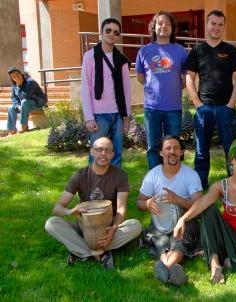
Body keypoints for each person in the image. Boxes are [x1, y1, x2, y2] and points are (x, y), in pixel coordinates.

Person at [174, 137, 236, 284]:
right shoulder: (221, 186)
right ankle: (215, 263)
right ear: (231, 159)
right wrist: (183, 219)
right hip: (227, 235)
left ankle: (225, 259)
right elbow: (202, 203)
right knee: (208, 209)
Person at [45, 137, 142, 269]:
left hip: (107, 227)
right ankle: (99, 254)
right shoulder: (80, 175)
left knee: (135, 225)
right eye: (99, 149)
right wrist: (69, 211)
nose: (103, 154)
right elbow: (57, 208)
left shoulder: (120, 175)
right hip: (84, 226)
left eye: (108, 150)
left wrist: (114, 229)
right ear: (92, 152)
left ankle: (78, 250)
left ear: (113, 154)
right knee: (51, 223)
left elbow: (121, 209)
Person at [184, 10, 236, 189]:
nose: (216, 28)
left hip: (226, 108)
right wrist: (198, 104)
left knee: (231, 150)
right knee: (201, 151)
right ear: (207, 25)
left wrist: (231, 105)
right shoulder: (197, 50)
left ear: (223, 27)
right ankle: (200, 186)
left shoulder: (230, 50)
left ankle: (234, 184)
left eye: (220, 25)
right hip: (204, 108)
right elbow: (189, 79)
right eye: (213, 24)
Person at [137, 135, 203, 286]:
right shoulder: (153, 175)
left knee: (178, 242)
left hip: (185, 220)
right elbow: (139, 203)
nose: (172, 152)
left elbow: (199, 205)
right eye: (168, 148)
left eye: (176, 148)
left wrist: (179, 200)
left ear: (181, 152)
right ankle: (171, 269)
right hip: (159, 222)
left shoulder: (190, 175)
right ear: (161, 153)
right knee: (162, 242)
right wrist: (147, 203)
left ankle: (164, 267)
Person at [136, 11, 188, 170]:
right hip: (152, 108)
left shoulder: (180, 51)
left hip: (173, 107)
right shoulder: (144, 51)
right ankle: (155, 179)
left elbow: (186, 79)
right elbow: (140, 77)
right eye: (160, 23)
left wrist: (170, 88)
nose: (163, 26)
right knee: (153, 147)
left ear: (172, 28)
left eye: (167, 23)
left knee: (174, 147)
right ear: (154, 27)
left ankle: (174, 177)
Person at [81, 18, 132, 168]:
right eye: (108, 30)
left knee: (116, 156)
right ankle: (94, 190)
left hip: (118, 114)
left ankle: (115, 190)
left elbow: (126, 90)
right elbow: (85, 87)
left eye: (116, 32)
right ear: (101, 32)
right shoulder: (90, 56)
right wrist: (89, 117)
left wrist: (126, 117)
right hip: (98, 115)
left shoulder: (122, 60)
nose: (111, 34)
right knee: (97, 155)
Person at [6, 67, 47, 134]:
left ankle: (24, 126)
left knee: (24, 102)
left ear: (21, 74)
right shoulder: (14, 85)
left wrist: (19, 86)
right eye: (13, 76)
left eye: (17, 74)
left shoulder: (30, 82)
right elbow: (13, 97)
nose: (16, 77)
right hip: (25, 105)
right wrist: (17, 105)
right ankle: (12, 130)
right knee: (11, 108)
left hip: (38, 103)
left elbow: (26, 95)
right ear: (12, 78)